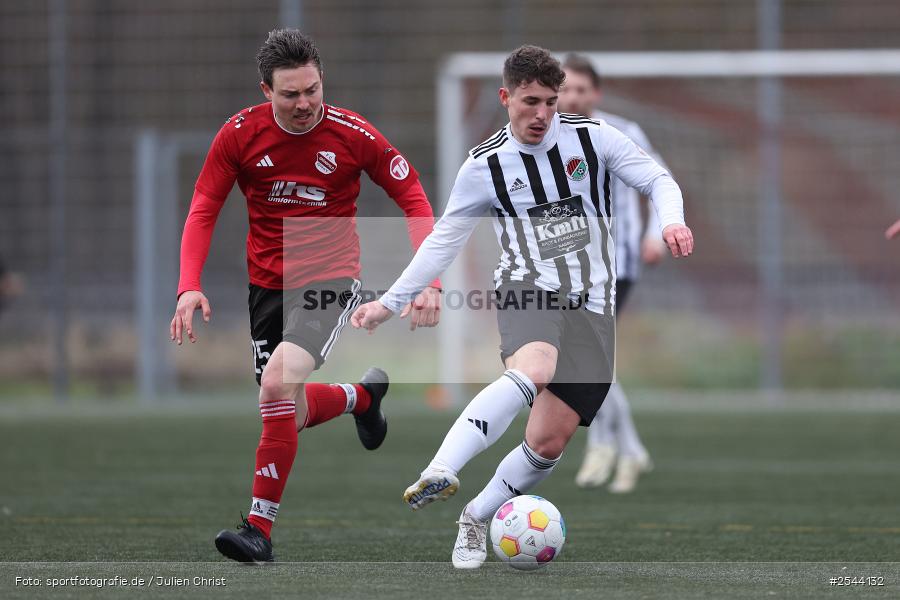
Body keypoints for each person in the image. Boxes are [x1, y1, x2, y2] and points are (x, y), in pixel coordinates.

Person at [352, 45, 693, 569]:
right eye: (530, 101)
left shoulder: (592, 138)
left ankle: (474, 518)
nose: (542, 115)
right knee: (535, 367)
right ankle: (442, 467)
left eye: (551, 103)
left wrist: (670, 219)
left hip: (594, 302)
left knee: (547, 443)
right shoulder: (484, 165)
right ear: (505, 97)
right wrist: (390, 302)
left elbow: (657, 179)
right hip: (526, 285)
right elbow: (445, 238)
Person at [169, 29, 441, 563]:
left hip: (331, 281)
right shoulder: (239, 135)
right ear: (265, 90)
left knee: (276, 384)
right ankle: (361, 399)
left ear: (322, 80)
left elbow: (413, 197)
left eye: (311, 90)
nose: (303, 104)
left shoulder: (353, 133)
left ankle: (258, 531)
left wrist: (427, 281)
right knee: (283, 413)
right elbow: (203, 208)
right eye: (290, 94)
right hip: (267, 287)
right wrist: (188, 285)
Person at [559, 53, 666, 493]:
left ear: (596, 94)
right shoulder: (548, 135)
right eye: (564, 88)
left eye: (581, 89)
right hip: (569, 267)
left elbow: (661, 179)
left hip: (616, 265)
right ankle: (629, 449)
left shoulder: (623, 132)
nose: (572, 97)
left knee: (588, 359)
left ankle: (606, 444)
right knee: (587, 360)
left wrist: (658, 235)